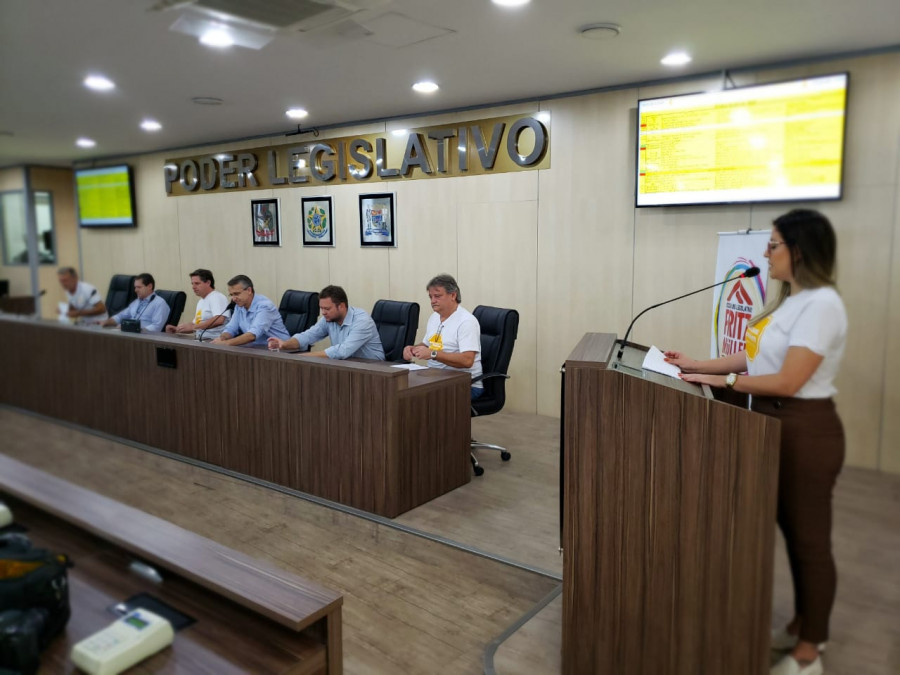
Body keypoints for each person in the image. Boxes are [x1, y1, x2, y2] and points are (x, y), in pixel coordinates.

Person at [664, 209, 846, 675]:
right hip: (771, 424)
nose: (766, 253)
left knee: (809, 540)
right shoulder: (790, 301)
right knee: (790, 530)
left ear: (799, 251)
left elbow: (788, 381)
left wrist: (723, 381)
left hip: (805, 430)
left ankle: (810, 650)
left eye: (774, 244)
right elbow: (752, 359)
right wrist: (696, 365)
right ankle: (803, 624)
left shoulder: (822, 305)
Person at [402, 273, 483, 399]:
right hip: (435, 378)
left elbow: (467, 361)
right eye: (430, 297)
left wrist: (433, 354)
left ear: (453, 295)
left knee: (414, 398)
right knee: (400, 390)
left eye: (437, 296)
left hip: (465, 384)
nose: (433, 301)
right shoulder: (434, 317)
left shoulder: (466, 322)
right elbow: (427, 345)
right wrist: (412, 349)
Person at [267, 285, 385, 360]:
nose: (323, 312)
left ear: (341, 306)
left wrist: (302, 357)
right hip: (346, 366)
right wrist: (284, 344)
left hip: (374, 370)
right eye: (321, 308)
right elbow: (308, 336)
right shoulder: (328, 319)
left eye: (327, 309)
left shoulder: (362, 321)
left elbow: (342, 351)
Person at [212, 274, 289, 346]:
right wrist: (222, 338)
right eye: (231, 295)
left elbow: (252, 335)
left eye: (236, 294)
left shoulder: (265, 306)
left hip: (279, 349)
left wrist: (226, 343)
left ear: (249, 290)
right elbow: (231, 328)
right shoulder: (239, 306)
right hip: (255, 348)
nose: (234, 299)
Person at [165, 268, 230, 338]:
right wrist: (177, 329)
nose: (193, 287)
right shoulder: (201, 301)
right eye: (192, 284)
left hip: (214, 339)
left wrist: (193, 327)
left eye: (197, 283)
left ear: (208, 283)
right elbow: (196, 324)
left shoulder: (217, 297)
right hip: (200, 339)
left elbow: (219, 320)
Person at [100, 273, 169, 332]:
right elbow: (120, 316)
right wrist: (106, 322)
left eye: (139, 287)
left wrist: (133, 329)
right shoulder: (137, 301)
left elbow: (156, 327)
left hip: (144, 338)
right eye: (135, 287)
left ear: (149, 286)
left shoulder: (160, 303)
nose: (135, 290)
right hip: (130, 334)